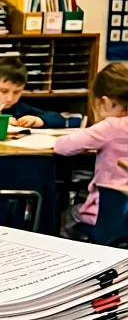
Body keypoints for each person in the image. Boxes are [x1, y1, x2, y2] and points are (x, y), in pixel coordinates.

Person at [54, 62, 128, 238]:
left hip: (104, 214)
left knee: (63, 217)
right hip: (124, 216)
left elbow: (62, 146)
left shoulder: (110, 126)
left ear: (104, 101)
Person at [0, 56, 65, 128]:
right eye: (4, 91)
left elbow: (59, 119)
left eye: (16, 92)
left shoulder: (21, 110)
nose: (10, 98)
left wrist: (39, 120)